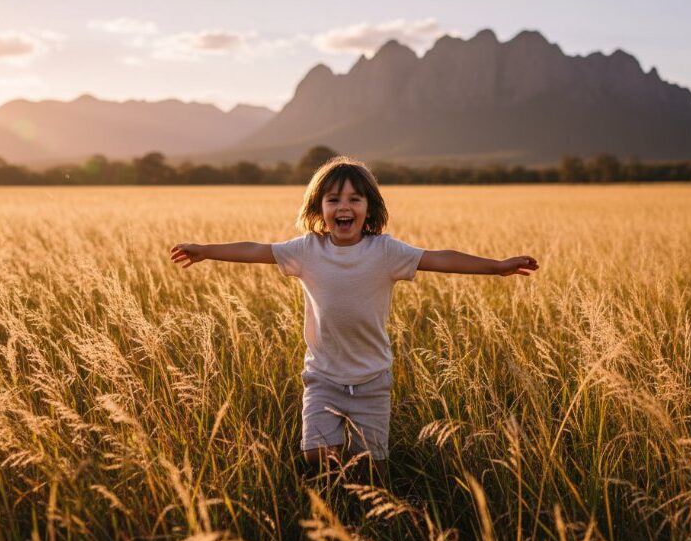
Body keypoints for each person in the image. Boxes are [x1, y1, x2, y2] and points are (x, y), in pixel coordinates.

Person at [170, 156, 539, 486]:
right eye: (333, 199)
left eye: (354, 199)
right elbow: (255, 249)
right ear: (319, 208)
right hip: (323, 378)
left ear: (368, 207)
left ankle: (365, 506)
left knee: (372, 472)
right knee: (317, 455)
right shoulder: (306, 250)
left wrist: (497, 267)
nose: (343, 207)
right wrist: (206, 250)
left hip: (372, 381)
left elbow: (440, 258)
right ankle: (333, 497)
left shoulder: (386, 252)